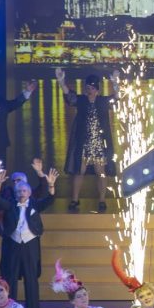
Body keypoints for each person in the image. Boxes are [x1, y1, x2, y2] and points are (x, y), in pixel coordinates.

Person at [0, 167, 55, 308]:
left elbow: (49, 200)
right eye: (18, 191)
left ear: (28, 192)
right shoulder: (9, 205)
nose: (21, 194)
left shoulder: (34, 204)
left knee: (31, 280)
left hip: (30, 245)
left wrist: (51, 186)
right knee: (10, 280)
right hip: (13, 245)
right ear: (15, 192)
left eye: (24, 191)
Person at [55, 69, 116, 213]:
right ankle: (75, 199)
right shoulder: (81, 100)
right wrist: (61, 81)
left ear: (97, 89)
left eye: (92, 88)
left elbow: (117, 98)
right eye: (88, 88)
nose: (90, 90)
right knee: (79, 171)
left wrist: (115, 82)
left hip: (99, 143)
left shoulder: (103, 101)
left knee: (101, 172)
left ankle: (102, 200)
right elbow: (69, 96)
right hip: (83, 142)